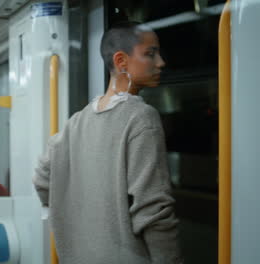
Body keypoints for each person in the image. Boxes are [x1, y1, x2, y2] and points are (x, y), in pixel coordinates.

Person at [33, 22, 182, 264]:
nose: (160, 63)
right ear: (122, 61)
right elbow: (154, 210)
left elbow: (41, 180)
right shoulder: (141, 118)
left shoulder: (77, 121)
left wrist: (76, 223)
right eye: (150, 54)